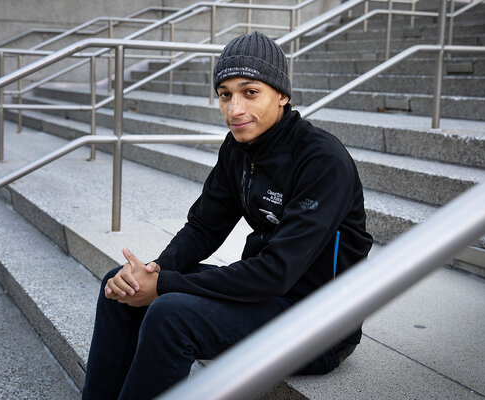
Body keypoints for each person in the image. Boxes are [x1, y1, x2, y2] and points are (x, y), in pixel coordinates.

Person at [82, 31, 373, 400]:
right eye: (225, 94)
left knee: (171, 315)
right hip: (265, 299)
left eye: (250, 92)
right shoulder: (239, 146)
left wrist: (167, 286)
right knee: (119, 287)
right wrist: (154, 271)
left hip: (318, 324)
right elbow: (205, 226)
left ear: (282, 95)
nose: (234, 109)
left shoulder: (322, 161)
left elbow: (275, 273)